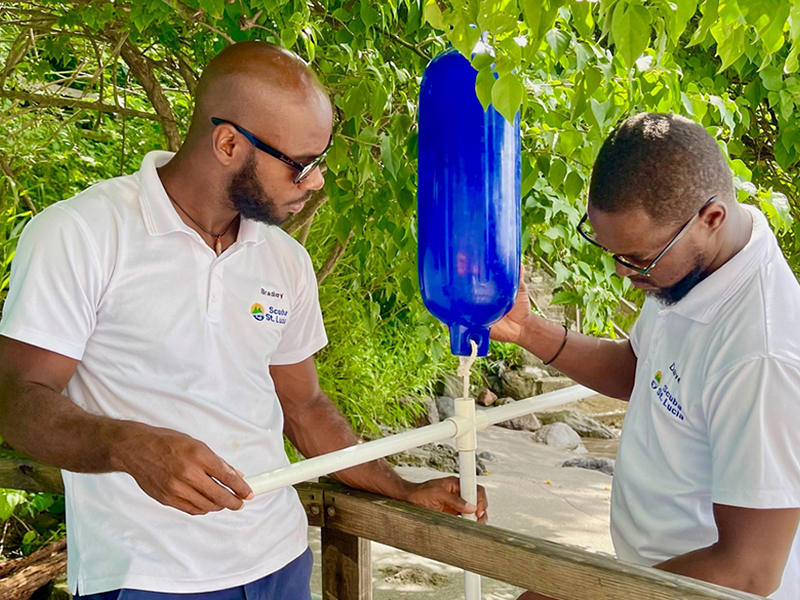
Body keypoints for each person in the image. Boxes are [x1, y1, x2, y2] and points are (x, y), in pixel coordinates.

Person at [0, 41, 487, 600]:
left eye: (320, 162)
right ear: (228, 142)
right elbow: (19, 401)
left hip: (278, 560)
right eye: (301, 166)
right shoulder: (82, 233)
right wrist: (128, 446)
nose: (317, 183)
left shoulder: (285, 260)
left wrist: (399, 488)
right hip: (147, 578)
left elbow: (304, 408)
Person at [492, 113, 800, 599]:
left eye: (638, 258)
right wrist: (530, 330)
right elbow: (641, 368)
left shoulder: (762, 354)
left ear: (712, 217)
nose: (622, 273)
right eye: (612, 251)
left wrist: (589, 592)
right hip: (650, 578)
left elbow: (751, 571)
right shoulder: (688, 271)